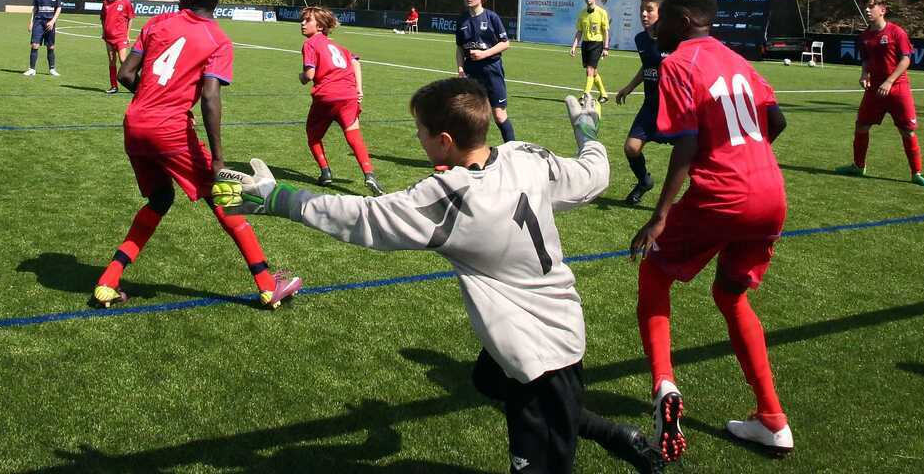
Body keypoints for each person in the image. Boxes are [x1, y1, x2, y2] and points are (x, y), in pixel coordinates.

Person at [213, 79, 665, 474]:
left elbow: (363, 218)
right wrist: (586, 130)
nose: (417, 135)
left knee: (541, 443)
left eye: (421, 130)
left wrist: (278, 199)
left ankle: (614, 435)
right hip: (544, 328)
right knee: (489, 380)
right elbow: (594, 175)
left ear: (444, 140)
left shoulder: (452, 197)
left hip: (541, 354)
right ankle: (601, 428)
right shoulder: (525, 156)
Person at [629, 0, 793, 462]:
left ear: (682, 22)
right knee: (730, 295)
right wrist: (749, 159)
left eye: (662, 18)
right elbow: (777, 121)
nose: (655, 26)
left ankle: (663, 385)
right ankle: (772, 419)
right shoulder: (739, 60)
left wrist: (659, 216)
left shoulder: (679, 63)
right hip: (770, 192)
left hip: (724, 193)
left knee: (654, 273)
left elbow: (686, 142)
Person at [92, 0, 301, 310]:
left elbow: (126, 74)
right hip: (170, 130)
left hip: (135, 125)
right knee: (223, 197)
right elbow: (210, 97)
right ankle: (266, 284)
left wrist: (150, 98)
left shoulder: (157, 24)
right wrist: (218, 157)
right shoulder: (218, 40)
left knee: (160, 199)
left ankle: (108, 281)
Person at [837, 0, 924, 187]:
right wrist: (864, 74)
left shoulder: (897, 32)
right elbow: (866, 60)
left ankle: (916, 173)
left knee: (907, 131)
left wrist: (889, 81)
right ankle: (858, 166)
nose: (867, 10)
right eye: (866, 6)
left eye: (871, 6)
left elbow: (906, 60)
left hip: (898, 89)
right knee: (861, 126)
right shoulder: (864, 36)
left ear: (882, 10)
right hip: (874, 90)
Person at [297, 6, 382, 195]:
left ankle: (325, 172)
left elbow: (309, 75)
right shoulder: (338, 46)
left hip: (327, 97)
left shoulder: (310, 43)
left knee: (313, 136)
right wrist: (359, 89)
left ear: (320, 26)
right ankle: (369, 175)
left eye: (307, 20)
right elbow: (355, 62)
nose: (302, 23)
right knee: (354, 136)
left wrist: (301, 77)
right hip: (349, 96)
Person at [614, 0, 665, 207]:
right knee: (631, 148)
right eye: (641, 10)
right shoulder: (641, 39)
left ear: (661, 12)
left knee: (690, 155)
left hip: (675, 108)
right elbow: (647, 67)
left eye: (649, 10)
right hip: (651, 106)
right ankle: (644, 181)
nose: (644, 14)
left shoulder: (674, 40)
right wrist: (629, 87)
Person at [456, 0, 516, 143]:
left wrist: (484, 54)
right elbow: (459, 48)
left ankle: (512, 150)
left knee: (499, 115)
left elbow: (505, 43)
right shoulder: (462, 20)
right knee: (472, 117)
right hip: (471, 74)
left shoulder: (492, 17)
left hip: (492, 72)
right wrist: (460, 68)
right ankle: (472, 153)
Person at [570, 0, 611, 103]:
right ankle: (604, 94)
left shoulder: (602, 12)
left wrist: (606, 48)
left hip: (597, 44)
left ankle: (585, 95)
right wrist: (574, 46)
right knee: (593, 72)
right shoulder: (582, 14)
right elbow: (579, 31)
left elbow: (606, 32)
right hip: (585, 44)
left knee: (589, 70)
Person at [101, 0, 136, 95]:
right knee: (112, 61)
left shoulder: (126, 2)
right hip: (108, 37)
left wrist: (127, 34)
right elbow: (103, 18)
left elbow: (130, 18)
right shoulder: (106, 2)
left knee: (123, 60)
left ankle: (135, 85)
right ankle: (114, 86)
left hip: (121, 37)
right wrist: (104, 31)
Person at [25, 0, 62, 78]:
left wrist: (53, 21)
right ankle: (32, 69)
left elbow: (59, 8)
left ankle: (52, 69)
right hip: (38, 22)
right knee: (34, 45)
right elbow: (35, 8)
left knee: (51, 46)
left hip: (50, 23)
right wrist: (31, 22)